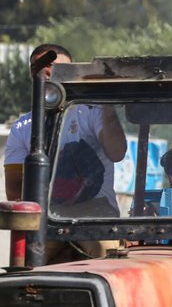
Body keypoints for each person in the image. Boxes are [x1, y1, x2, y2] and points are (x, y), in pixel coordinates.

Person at [5, 45, 126, 208]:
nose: (47, 74)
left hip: (96, 219)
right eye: (38, 69)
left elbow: (117, 153)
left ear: (73, 73)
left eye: (57, 69)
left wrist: (107, 102)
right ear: (32, 74)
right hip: (45, 223)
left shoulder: (93, 111)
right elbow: (14, 191)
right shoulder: (22, 127)